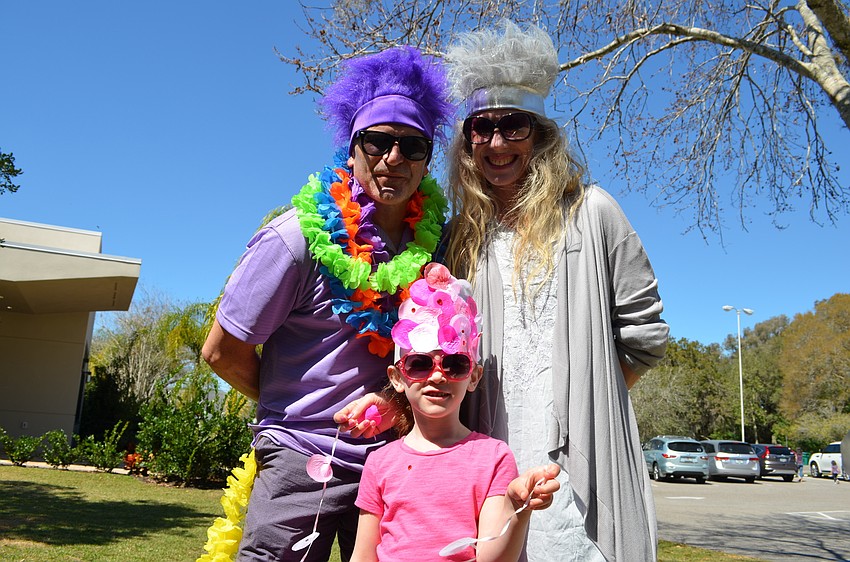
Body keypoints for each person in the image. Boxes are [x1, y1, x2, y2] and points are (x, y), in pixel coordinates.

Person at [201, 46, 454, 561]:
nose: (394, 158)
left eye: (412, 145)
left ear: (427, 159)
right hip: (302, 460)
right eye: (378, 141)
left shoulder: (439, 247)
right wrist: (296, 412)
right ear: (352, 147)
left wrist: (398, 406)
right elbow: (221, 351)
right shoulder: (295, 239)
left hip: (399, 462)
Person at [442, 21, 669, 562]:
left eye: (514, 126)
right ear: (467, 141)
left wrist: (591, 396)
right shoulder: (457, 238)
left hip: (581, 467)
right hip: (490, 460)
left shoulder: (593, 212)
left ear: (540, 135)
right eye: (481, 128)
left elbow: (645, 335)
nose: (497, 143)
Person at [341, 262, 561, 562]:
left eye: (454, 364)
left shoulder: (493, 457)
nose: (437, 376)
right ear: (397, 378)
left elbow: (493, 558)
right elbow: (363, 555)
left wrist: (516, 508)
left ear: (473, 377)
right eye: (419, 364)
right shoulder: (380, 463)